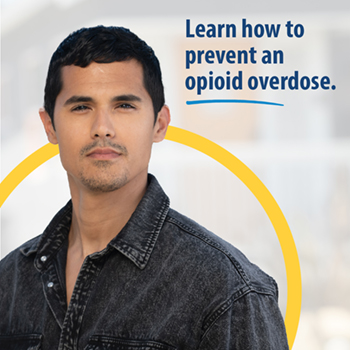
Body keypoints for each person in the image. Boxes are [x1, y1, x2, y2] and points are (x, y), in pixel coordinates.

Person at [0, 25, 289, 349]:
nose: (102, 129)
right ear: (50, 125)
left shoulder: (228, 291)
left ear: (160, 123)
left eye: (124, 106)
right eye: (81, 107)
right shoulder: (8, 282)